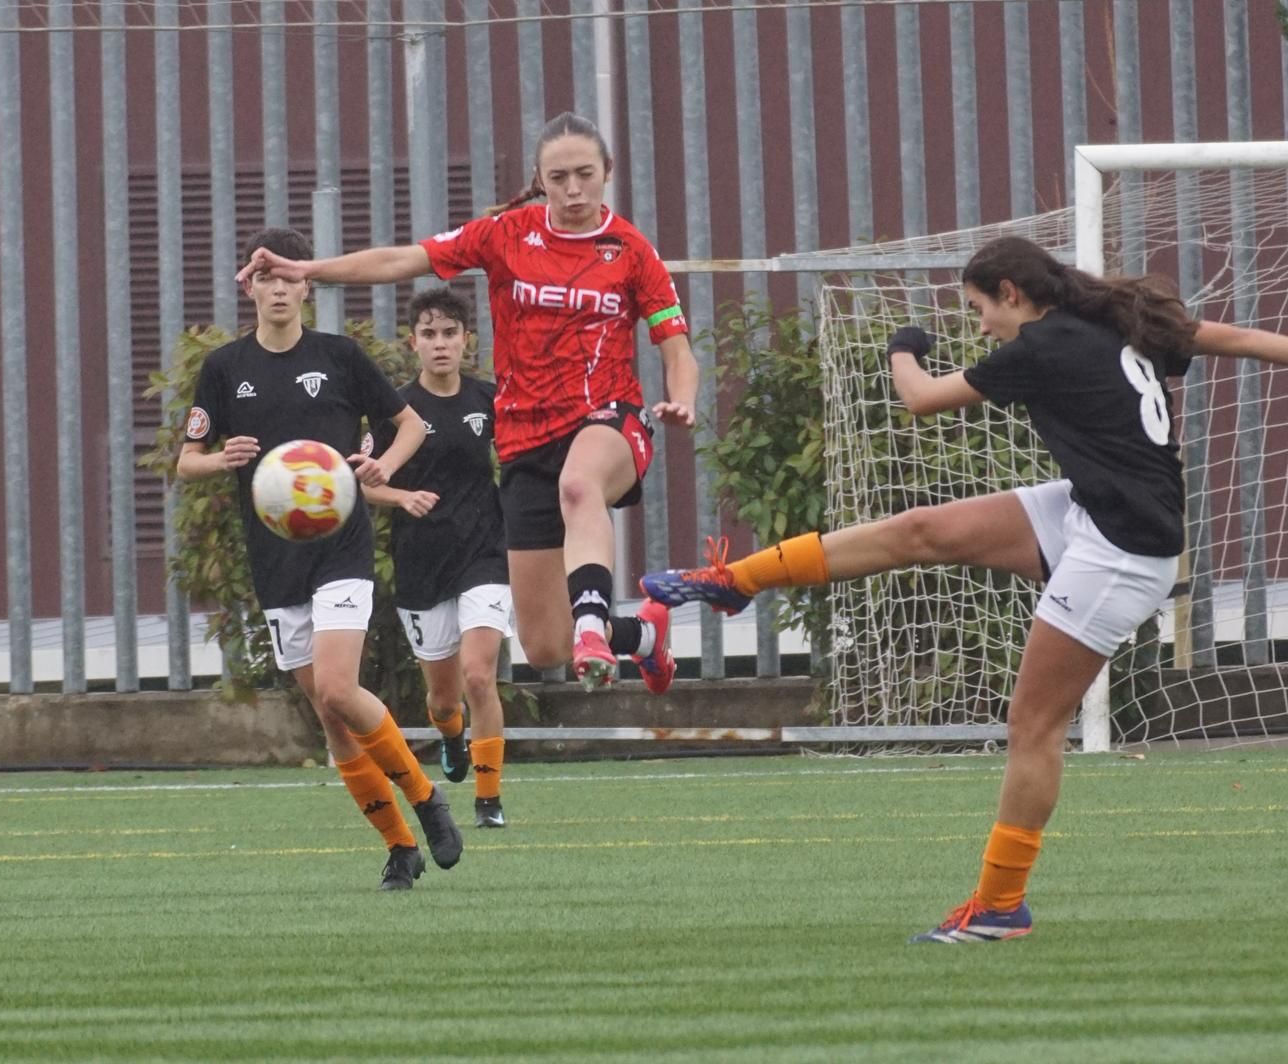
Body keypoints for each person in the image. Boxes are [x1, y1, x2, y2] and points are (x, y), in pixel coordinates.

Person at [640, 234, 1288, 942]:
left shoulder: (1043, 345)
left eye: (980, 309)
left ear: (1012, 293)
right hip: (1091, 511)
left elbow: (918, 398)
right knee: (921, 529)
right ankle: (736, 582)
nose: (981, 325)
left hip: (1123, 552)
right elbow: (1248, 338)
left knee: (1032, 727)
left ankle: (1001, 906)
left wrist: (902, 346)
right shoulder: (1116, 316)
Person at [236, 112, 696, 695]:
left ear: (607, 171)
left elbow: (677, 348)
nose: (574, 189)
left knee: (580, 487)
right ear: (540, 178)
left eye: (585, 174)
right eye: (559, 178)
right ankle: (641, 635)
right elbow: (405, 258)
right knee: (544, 645)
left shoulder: (631, 251)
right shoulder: (505, 234)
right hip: (527, 439)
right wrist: (310, 269)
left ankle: (592, 626)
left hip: (611, 418)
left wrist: (680, 399)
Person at [179, 227, 463, 891]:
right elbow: (187, 462)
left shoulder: (339, 357)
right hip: (275, 561)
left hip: (342, 546)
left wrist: (380, 468)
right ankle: (399, 848)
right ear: (247, 286)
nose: (278, 288)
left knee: (339, 688)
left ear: (306, 285)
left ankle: (426, 800)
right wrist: (221, 459)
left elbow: (412, 425)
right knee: (331, 722)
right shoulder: (225, 369)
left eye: (289, 277)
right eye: (265, 277)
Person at [364, 288, 514, 828]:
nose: (441, 343)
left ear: (466, 340)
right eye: (429, 334)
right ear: (413, 344)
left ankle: (489, 800)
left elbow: (521, 463)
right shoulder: (397, 413)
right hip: (422, 564)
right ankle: (450, 736)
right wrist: (402, 496)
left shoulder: (488, 401)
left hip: (485, 556)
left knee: (480, 677)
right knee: (446, 698)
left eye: (450, 332)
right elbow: (365, 486)